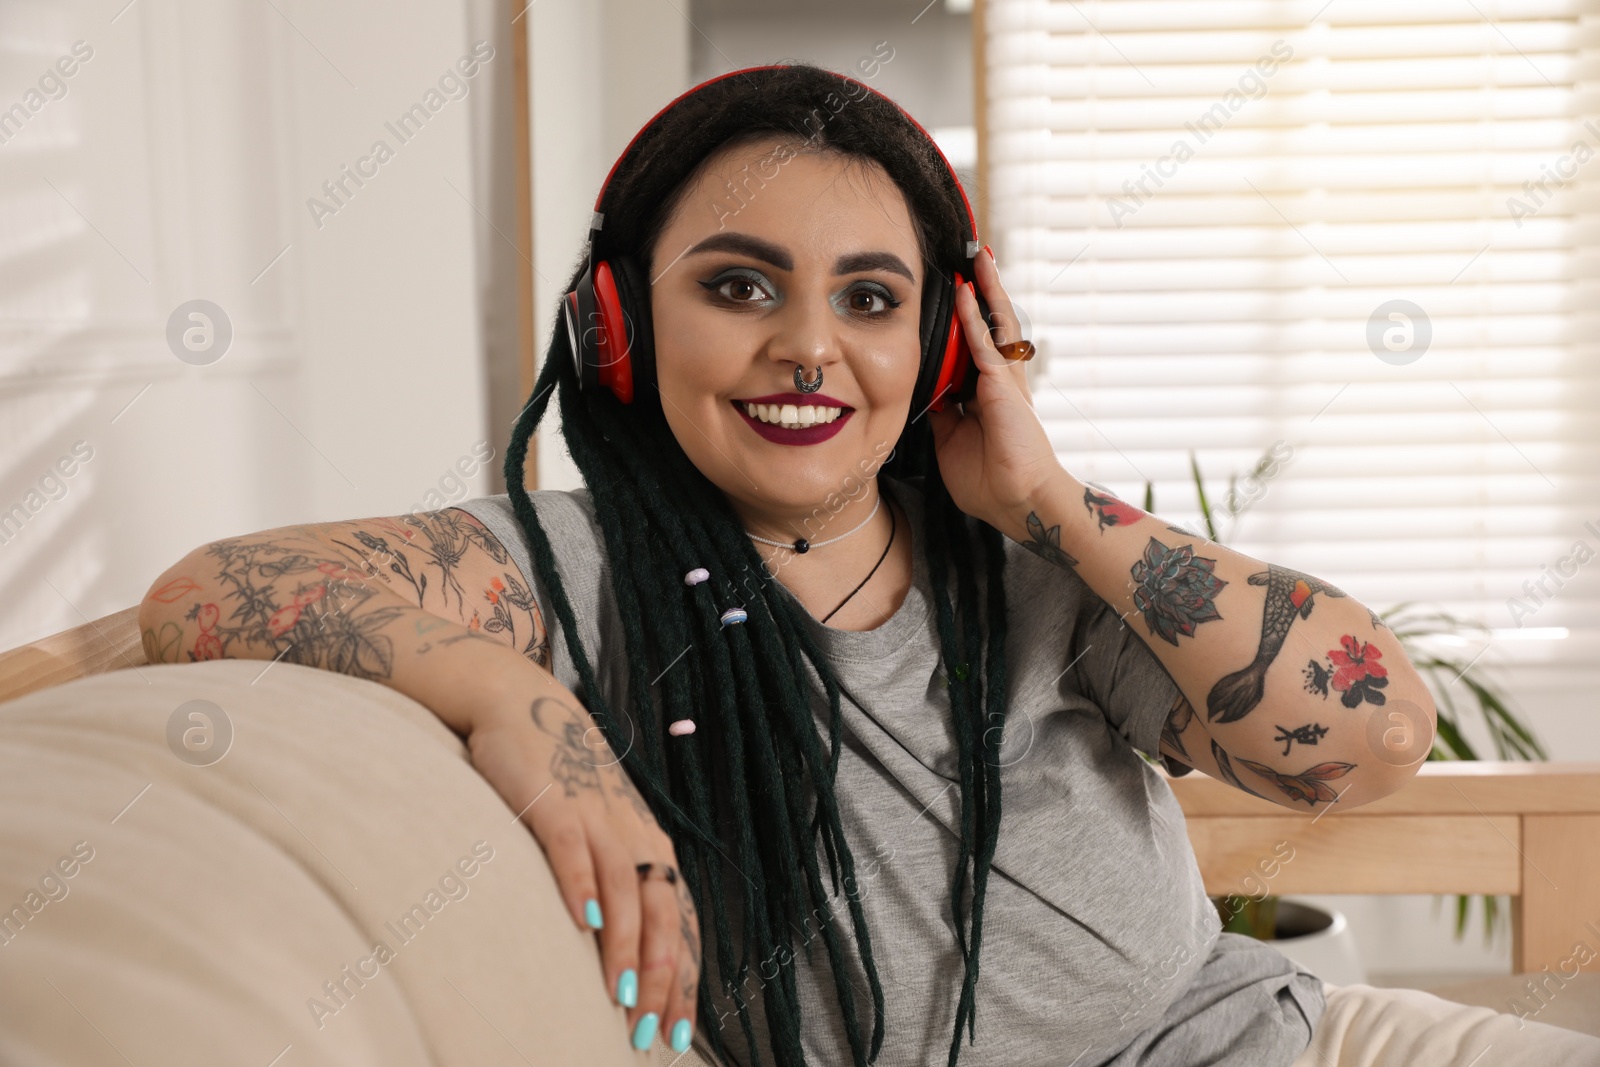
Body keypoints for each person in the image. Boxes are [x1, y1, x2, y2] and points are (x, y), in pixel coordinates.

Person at [139, 64, 1600, 1067]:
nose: (809, 346)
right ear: (620, 331)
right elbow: (207, 590)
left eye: (872, 297)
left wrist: (1044, 494)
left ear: (941, 342)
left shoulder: (1030, 565)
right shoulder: (566, 569)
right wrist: (511, 701)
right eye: (737, 285)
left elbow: (1369, 741)